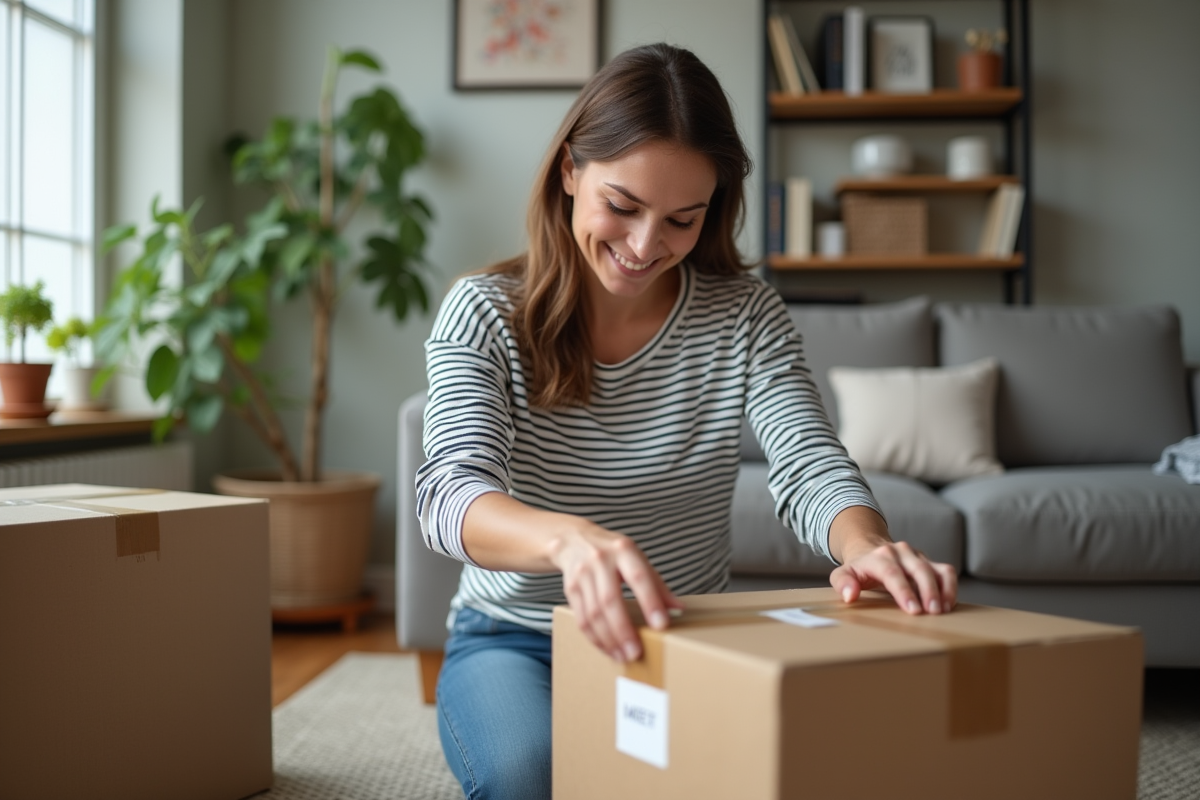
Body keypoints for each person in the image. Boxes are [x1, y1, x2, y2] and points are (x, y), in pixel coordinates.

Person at [416, 42, 957, 800]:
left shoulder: (744, 315)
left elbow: (806, 459)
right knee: (529, 776)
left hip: (684, 637)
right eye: (622, 206)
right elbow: (448, 494)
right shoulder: (484, 312)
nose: (644, 247)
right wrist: (570, 540)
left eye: (681, 219)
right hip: (516, 639)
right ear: (570, 171)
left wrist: (865, 543)